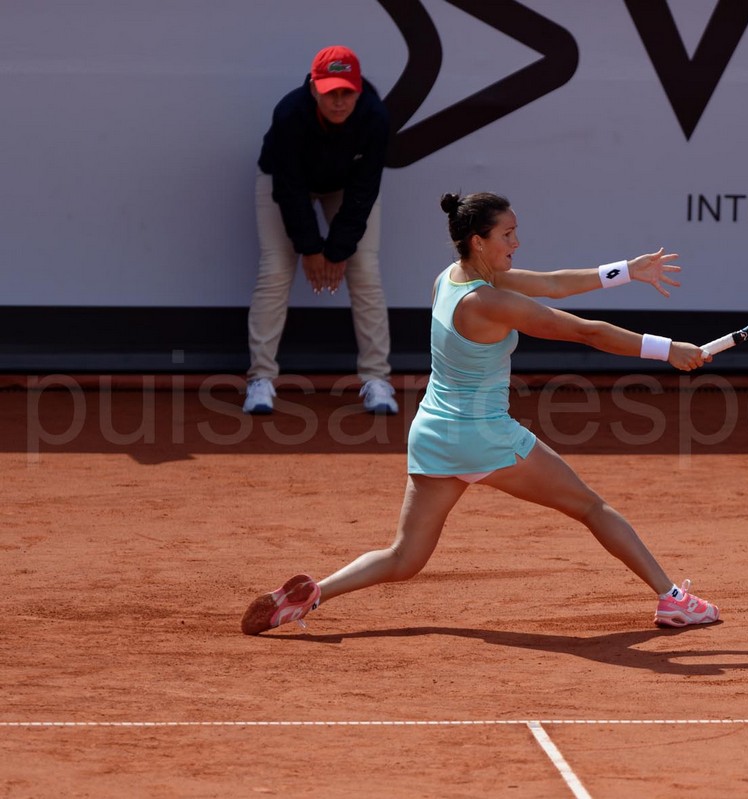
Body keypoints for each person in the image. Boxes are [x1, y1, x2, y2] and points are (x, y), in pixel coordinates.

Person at [240, 191, 720, 635]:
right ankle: (672, 599)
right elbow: (585, 332)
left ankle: (315, 593)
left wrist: (626, 271)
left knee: (404, 557)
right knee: (592, 507)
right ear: (478, 240)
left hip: (434, 434)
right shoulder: (490, 302)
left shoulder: (450, 279)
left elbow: (552, 283)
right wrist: (667, 349)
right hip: (484, 437)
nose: (516, 242)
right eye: (507, 234)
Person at [244, 45, 398, 415]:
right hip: (285, 182)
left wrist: (338, 249)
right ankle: (260, 378)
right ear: (314, 88)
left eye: (347, 92)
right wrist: (311, 249)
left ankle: (377, 379)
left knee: (365, 270)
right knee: (275, 270)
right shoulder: (290, 114)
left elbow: (364, 191)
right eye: (331, 92)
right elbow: (289, 188)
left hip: (345, 187)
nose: (339, 101)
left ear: (358, 90)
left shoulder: (376, 117)